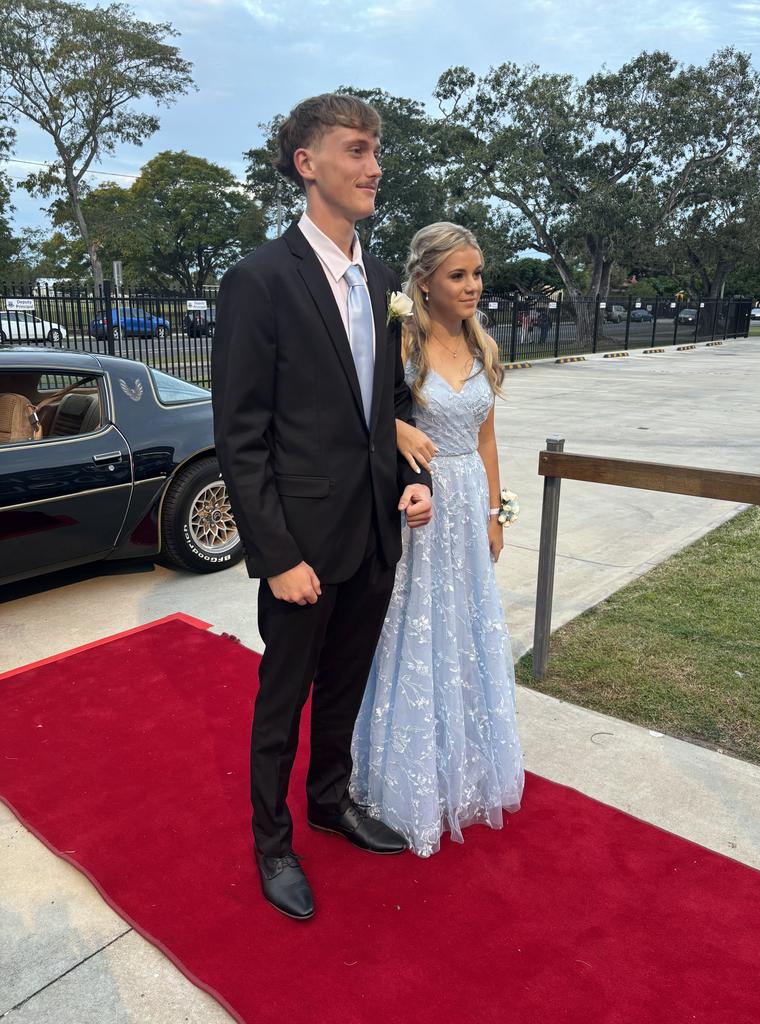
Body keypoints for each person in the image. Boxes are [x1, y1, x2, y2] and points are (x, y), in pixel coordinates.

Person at [211, 94, 432, 919]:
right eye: (357, 150)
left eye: (376, 151)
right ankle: (273, 844)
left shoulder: (380, 281)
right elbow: (241, 437)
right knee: (284, 698)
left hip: (375, 532)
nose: (375, 166)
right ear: (308, 164)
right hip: (299, 548)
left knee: (346, 687)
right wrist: (274, 556)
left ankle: (328, 801)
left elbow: (390, 408)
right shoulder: (258, 280)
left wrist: (416, 480)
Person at [351, 222, 524, 858]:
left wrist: (496, 514)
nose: (473, 286)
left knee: (468, 630)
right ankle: (410, 775)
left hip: (469, 502)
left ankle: (470, 765)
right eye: (459, 275)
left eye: (477, 274)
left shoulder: (482, 345)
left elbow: (486, 440)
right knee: (415, 629)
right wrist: (397, 431)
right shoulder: (401, 343)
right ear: (424, 281)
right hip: (419, 508)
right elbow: (364, 414)